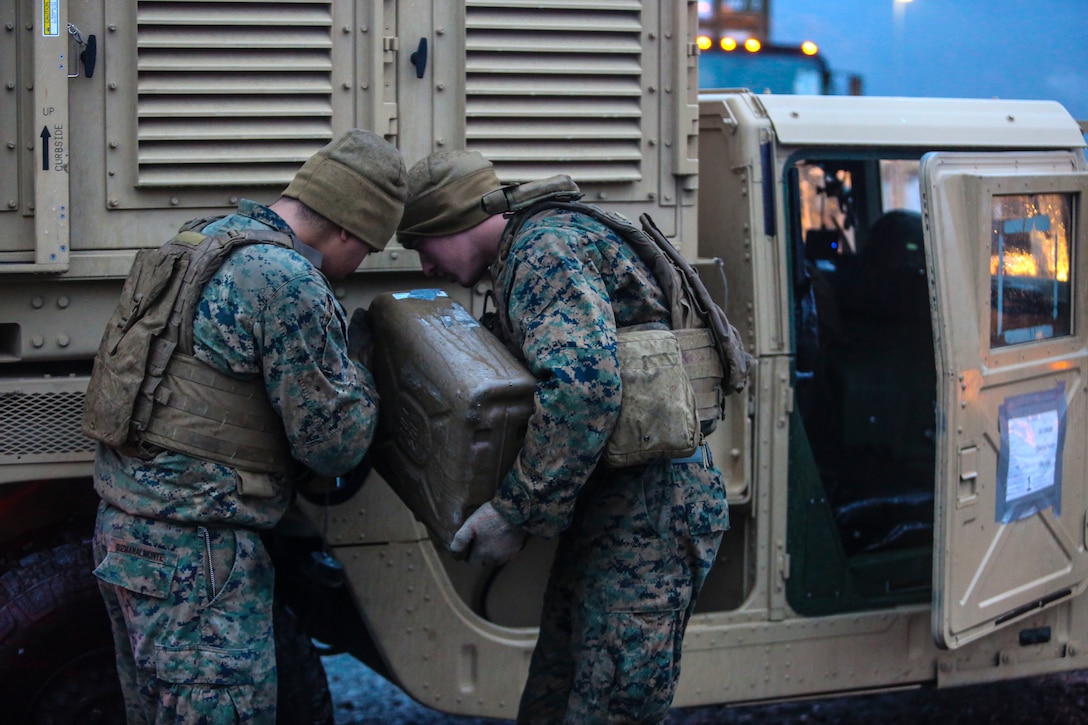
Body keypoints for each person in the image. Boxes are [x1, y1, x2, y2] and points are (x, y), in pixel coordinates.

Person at [84, 129, 407, 724]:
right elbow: (333, 446)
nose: (361, 262)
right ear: (343, 227)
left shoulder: (202, 240)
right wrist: (361, 373)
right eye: (366, 245)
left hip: (126, 531)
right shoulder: (287, 280)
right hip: (197, 552)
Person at [397, 150, 730, 724]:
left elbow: (583, 389)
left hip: (649, 514)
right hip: (618, 510)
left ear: (455, 223)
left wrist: (514, 513)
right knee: (559, 698)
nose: (425, 266)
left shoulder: (543, 251)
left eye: (423, 246)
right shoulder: (537, 247)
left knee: (609, 707)